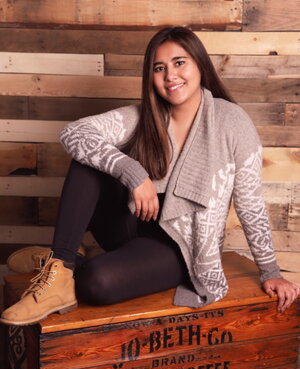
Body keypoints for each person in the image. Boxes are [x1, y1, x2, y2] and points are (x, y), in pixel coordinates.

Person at [1, 26, 299, 326]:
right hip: (129, 224)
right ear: (151, 76)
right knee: (87, 158)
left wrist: (270, 271)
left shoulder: (232, 122)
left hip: (176, 249)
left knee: (96, 283)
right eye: (160, 68)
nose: (170, 75)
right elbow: (74, 133)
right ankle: (60, 265)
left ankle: (64, 264)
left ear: (200, 65)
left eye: (179, 63)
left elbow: (251, 205)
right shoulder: (145, 117)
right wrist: (133, 172)